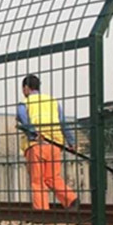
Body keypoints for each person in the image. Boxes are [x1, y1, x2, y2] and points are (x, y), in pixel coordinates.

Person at [17, 74, 78, 211]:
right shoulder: (53, 102)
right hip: (54, 145)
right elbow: (63, 123)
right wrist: (71, 141)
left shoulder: (24, 103)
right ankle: (71, 200)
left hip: (36, 145)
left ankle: (42, 212)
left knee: (37, 181)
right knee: (52, 177)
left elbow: (22, 118)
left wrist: (33, 133)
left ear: (26, 88)